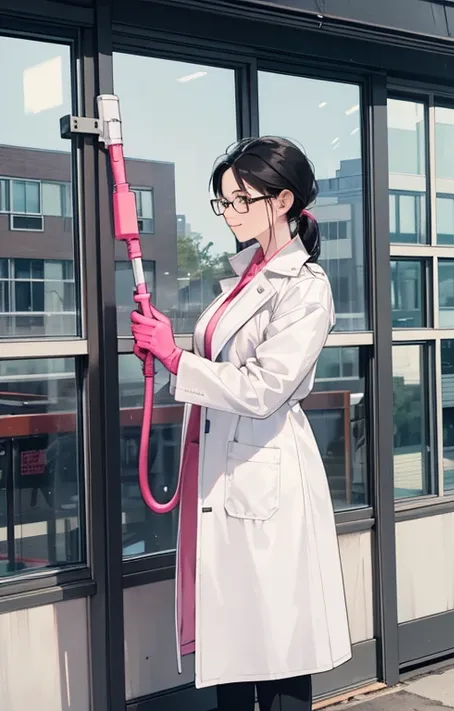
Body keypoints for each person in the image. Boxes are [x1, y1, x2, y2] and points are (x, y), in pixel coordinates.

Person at [130, 136, 352, 711]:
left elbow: (264, 388)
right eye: (223, 203)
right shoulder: (248, 275)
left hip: (267, 477)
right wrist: (164, 344)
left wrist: (177, 360)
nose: (228, 213)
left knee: (277, 656)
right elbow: (223, 361)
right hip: (229, 471)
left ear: (280, 202)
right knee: (235, 649)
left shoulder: (305, 288)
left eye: (238, 201)